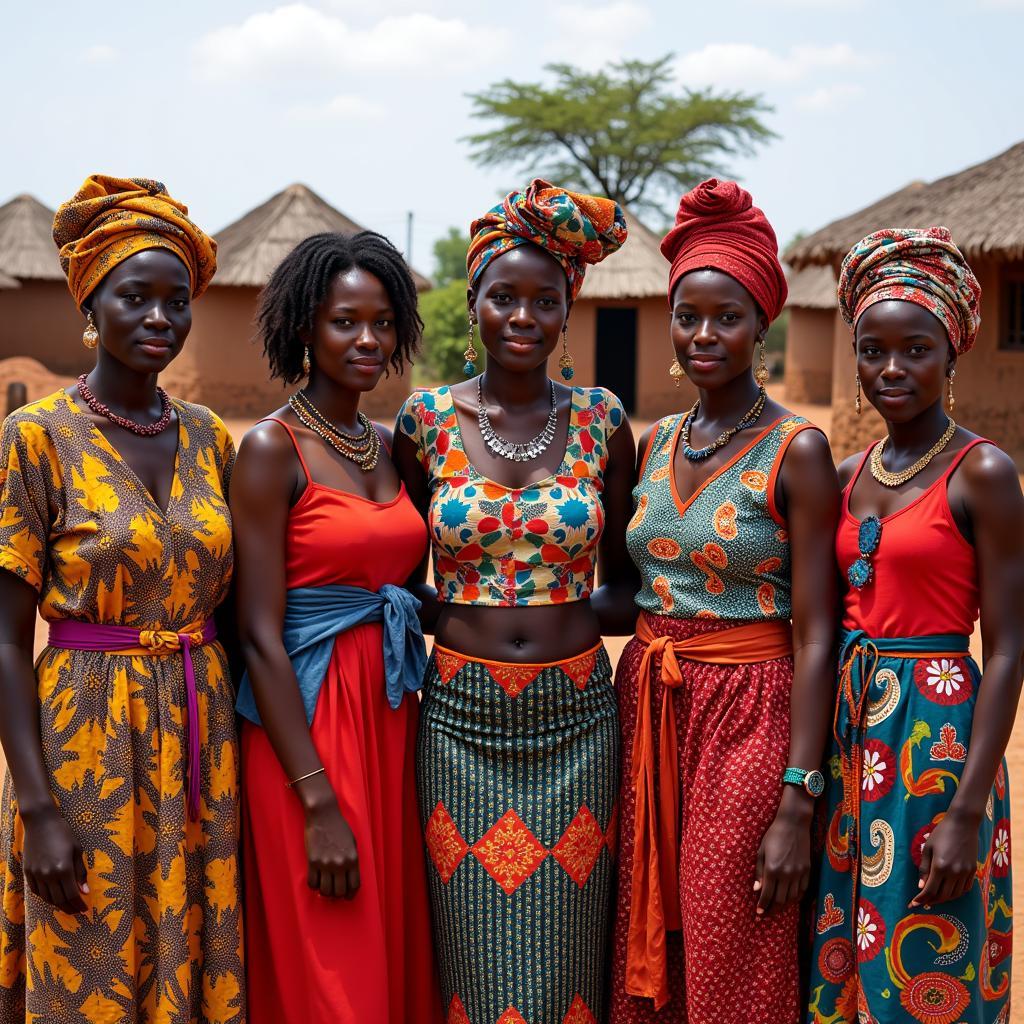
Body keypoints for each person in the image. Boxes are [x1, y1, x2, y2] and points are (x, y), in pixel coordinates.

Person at [0, 175, 243, 1023]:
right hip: (84, 743)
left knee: (193, 952)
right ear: (90, 303)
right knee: (89, 958)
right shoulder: (38, 438)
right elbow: (4, 639)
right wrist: (37, 808)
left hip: (199, 740)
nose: (160, 320)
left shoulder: (212, 437)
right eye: (135, 297)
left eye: (178, 302)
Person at [392, 179, 634, 1024]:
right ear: (474, 304)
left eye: (544, 299)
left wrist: (560, 616)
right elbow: (395, 559)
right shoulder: (421, 421)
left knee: (568, 963)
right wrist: (462, 616)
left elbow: (627, 581)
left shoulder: (604, 420)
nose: (523, 315)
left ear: (568, 312)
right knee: (474, 959)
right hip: (459, 720)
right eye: (504, 296)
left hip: (579, 719)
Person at [608, 178, 840, 1024]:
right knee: (651, 920)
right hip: (650, 704)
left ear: (761, 325)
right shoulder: (655, 439)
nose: (704, 335)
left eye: (727, 317)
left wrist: (797, 794)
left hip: (749, 713)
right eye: (688, 316)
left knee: (730, 930)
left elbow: (817, 635)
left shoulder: (797, 451)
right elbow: (626, 588)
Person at [807, 227, 1024, 1024]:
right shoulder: (848, 475)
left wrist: (966, 812)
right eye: (872, 349)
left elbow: (1006, 648)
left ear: (952, 354)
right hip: (849, 732)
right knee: (844, 955)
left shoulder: (985, 473)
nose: (891, 369)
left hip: (935, 737)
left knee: (931, 954)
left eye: (915, 348)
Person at [231, 231, 442, 1024]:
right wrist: (316, 800)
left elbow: (406, 593)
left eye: (382, 323)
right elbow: (257, 633)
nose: (366, 340)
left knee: (388, 942)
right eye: (343, 321)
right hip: (308, 726)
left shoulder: (391, 448)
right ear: (302, 329)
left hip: (390, 717)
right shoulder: (268, 451)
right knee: (332, 959)